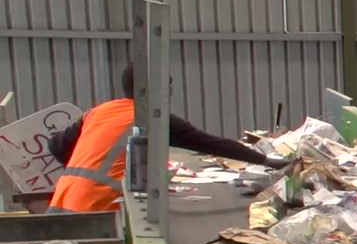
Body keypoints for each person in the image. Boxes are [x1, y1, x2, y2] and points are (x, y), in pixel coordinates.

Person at [49, 63, 281, 212]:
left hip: (62, 201)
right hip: (99, 208)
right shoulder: (153, 119)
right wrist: (268, 161)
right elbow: (209, 143)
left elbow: (56, 145)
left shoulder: (101, 110)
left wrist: (89, 169)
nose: (169, 93)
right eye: (167, 86)